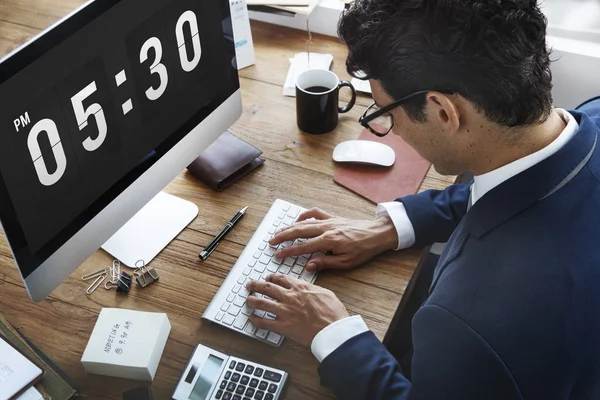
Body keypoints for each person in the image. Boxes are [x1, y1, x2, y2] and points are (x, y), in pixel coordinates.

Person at [245, 0, 600, 398]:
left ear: (444, 112)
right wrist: (389, 227)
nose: (391, 130)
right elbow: (518, 184)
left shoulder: (468, 323)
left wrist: (334, 335)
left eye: (386, 114)